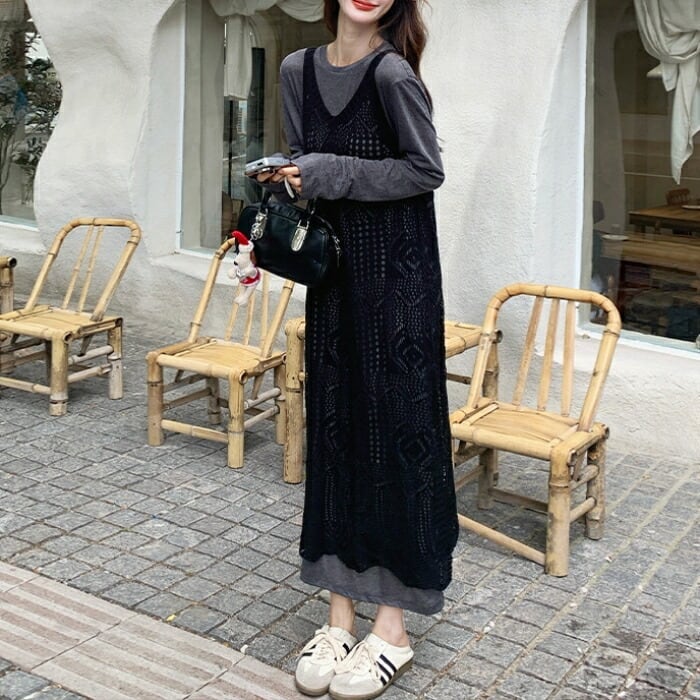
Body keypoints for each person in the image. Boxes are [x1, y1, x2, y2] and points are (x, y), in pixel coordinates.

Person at [259, 1, 458, 697]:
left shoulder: (393, 74)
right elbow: (309, 168)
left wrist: (327, 170)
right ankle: (339, 615)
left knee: (399, 438)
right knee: (337, 432)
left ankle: (393, 627)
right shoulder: (297, 70)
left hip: (398, 282)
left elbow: (424, 170)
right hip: (337, 280)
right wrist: (289, 177)